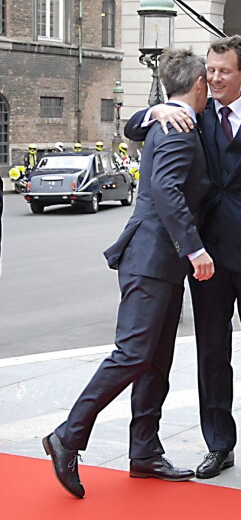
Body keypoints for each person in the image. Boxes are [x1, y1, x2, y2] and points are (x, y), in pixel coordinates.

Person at [124, 35, 241, 483]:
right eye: (211, 70)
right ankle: (219, 444)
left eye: (225, 70)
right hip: (205, 257)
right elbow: (133, 127)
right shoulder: (191, 117)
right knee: (211, 352)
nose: (215, 78)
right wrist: (153, 109)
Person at [42, 48, 214, 499]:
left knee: (155, 359)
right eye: (207, 83)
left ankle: (144, 453)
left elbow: (133, 126)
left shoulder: (163, 118)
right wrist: (194, 248)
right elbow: (166, 190)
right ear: (198, 85)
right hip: (153, 257)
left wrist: (153, 107)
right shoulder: (178, 128)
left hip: (160, 260)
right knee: (133, 354)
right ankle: (67, 436)